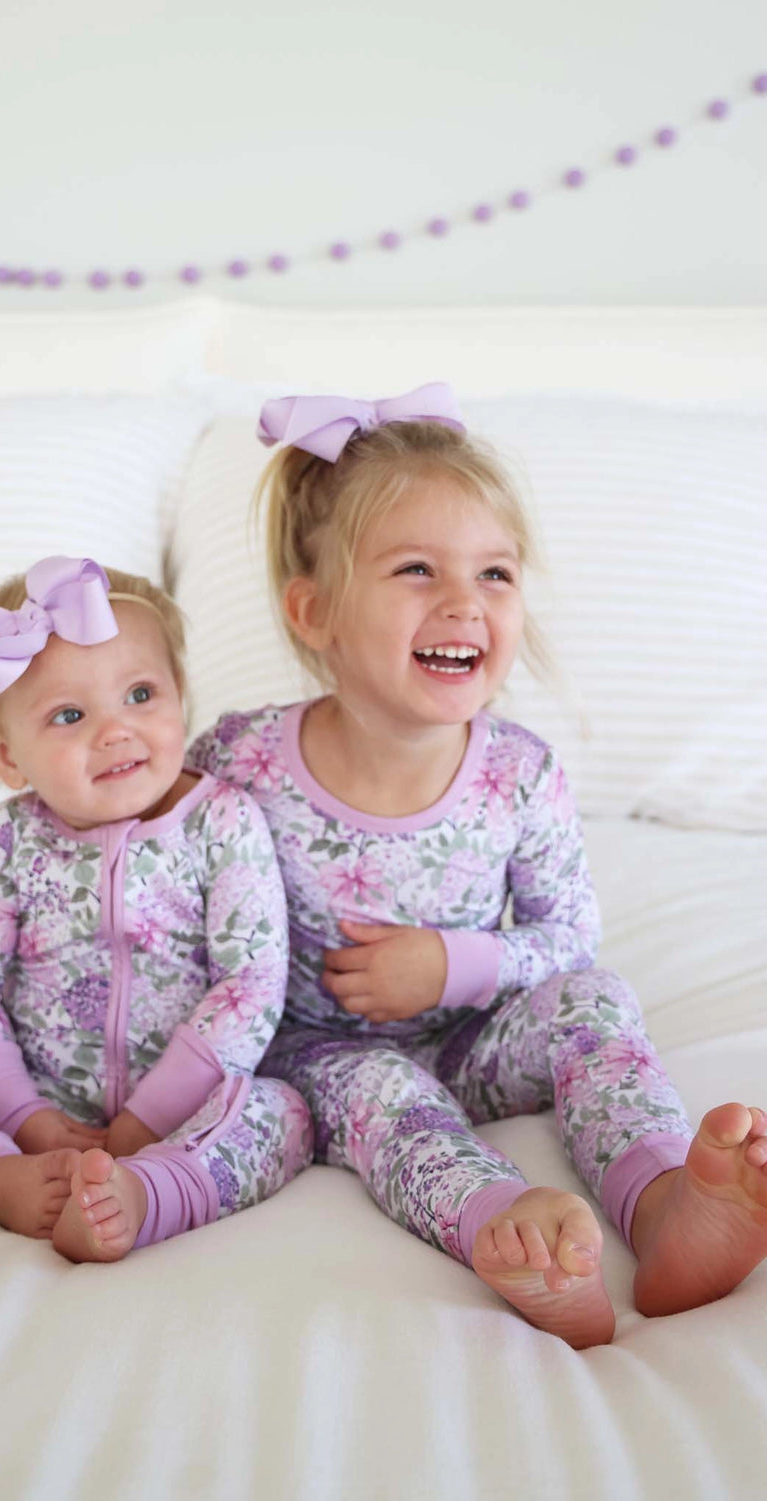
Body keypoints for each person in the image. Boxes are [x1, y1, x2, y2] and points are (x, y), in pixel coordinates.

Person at [189, 385, 767, 1347]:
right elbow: (173, 904)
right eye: (416, 568)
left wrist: (453, 964)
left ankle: (669, 1203)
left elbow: (569, 937)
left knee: (597, 999)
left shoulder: (519, 773)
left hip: (480, 1037)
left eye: (495, 572)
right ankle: (512, 1230)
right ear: (315, 610)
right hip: (317, 1053)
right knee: (388, 1100)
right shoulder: (239, 764)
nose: (465, 601)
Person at [0, 556, 312, 1263]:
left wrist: (147, 1121)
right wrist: (22, 1119)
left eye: (142, 693)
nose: (115, 731)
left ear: (183, 694)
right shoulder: (10, 839)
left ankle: (143, 1196)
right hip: (29, 1099)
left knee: (284, 1111)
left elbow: (250, 983)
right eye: (69, 715)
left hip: (180, 1109)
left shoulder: (224, 824)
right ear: (7, 756)